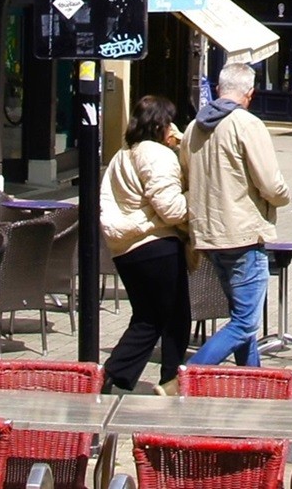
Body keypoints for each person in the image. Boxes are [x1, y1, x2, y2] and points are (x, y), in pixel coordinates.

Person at [181, 62, 290, 368]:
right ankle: (187, 375)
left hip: (208, 234)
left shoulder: (193, 127)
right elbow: (270, 183)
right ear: (249, 94)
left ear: (218, 90)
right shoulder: (247, 124)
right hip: (243, 233)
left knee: (240, 315)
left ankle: (251, 379)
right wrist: (282, 196)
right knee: (244, 322)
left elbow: (186, 176)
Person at [100, 95, 191, 395]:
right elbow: (173, 210)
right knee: (173, 319)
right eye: (169, 122)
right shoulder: (156, 155)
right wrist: (194, 201)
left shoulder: (122, 155)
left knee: (147, 317)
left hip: (126, 248)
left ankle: (117, 375)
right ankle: (169, 380)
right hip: (157, 245)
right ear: (160, 124)